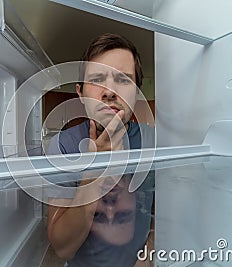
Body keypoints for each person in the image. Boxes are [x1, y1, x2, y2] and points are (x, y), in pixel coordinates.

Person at [46, 33, 155, 267]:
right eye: (97, 80)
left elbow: (169, 213)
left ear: (137, 92)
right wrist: (94, 174)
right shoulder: (63, 146)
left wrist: (150, 252)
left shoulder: (154, 141)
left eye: (123, 79)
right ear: (80, 94)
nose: (109, 92)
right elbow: (62, 248)